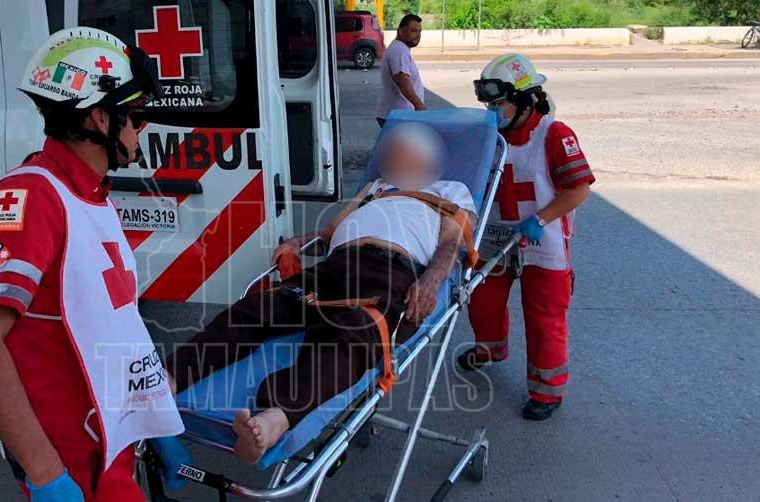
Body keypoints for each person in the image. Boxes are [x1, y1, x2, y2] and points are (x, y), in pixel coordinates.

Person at [0, 28, 191, 501]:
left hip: (112, 439)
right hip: (74, 460)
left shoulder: (90, 196)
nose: (140, 130)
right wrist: (45, 474)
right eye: (135, 116)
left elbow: (118, 324)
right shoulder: (34, 196)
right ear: (100, 118)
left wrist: (154, 417)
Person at [167, 122, 475, 463]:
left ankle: (277, 417)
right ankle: (171, 377)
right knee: (256, 308)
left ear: (426, 159)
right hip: (334, 266)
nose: (393, 157)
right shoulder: (376, 187)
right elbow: (328, 236)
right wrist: (297, 243)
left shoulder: (451, 191)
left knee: (353, 332)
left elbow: (451, 244)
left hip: (392, 273)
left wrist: (432, 280)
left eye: (404, 150)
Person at [457, 54, 595, 421]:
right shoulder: (489, 136)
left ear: (524, 99)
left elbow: (578, 189)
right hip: (494, 235)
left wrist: (540, 219)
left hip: (541, 237)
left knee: (544, 317)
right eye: (488, 104)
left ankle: (547, 391)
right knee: (481, 302)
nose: (492, 111)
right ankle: (490, 350)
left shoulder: (554, 134)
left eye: (499, 103)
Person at [374, 14, 426, 128]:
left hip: (398, 115)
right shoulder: (399, 50)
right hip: (399, 116)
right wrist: (419, 105)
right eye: (413, 31)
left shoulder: (399, 48)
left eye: (419, 32)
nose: (418, 35)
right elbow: (401, 79)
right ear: (401, 31)